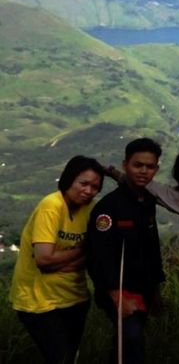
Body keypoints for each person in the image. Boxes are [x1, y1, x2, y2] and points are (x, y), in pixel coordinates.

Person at [9, 155, 104, 364]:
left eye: (95, 187)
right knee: (61, 359)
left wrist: (67, 258)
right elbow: (44, 259)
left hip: (75, 297)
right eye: (84, 183)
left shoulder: (91, 209)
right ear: (69, 179)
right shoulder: (51, 206)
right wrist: (81, 250)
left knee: (70, 358)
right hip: (39, 301)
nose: (88, 191)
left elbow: (95, 252)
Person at [86, 138, 164, 364]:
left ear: (156, 169)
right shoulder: (109, 208)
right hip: (119, 290)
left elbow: (152, 245)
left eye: (149, 167)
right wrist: (117, 296)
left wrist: (156, 289)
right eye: (137, 165)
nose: (143, 171)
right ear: (125, 165)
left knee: (125, 344)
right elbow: (98, 255)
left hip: (145, 287)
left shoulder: (148, 200)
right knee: (132, 341)